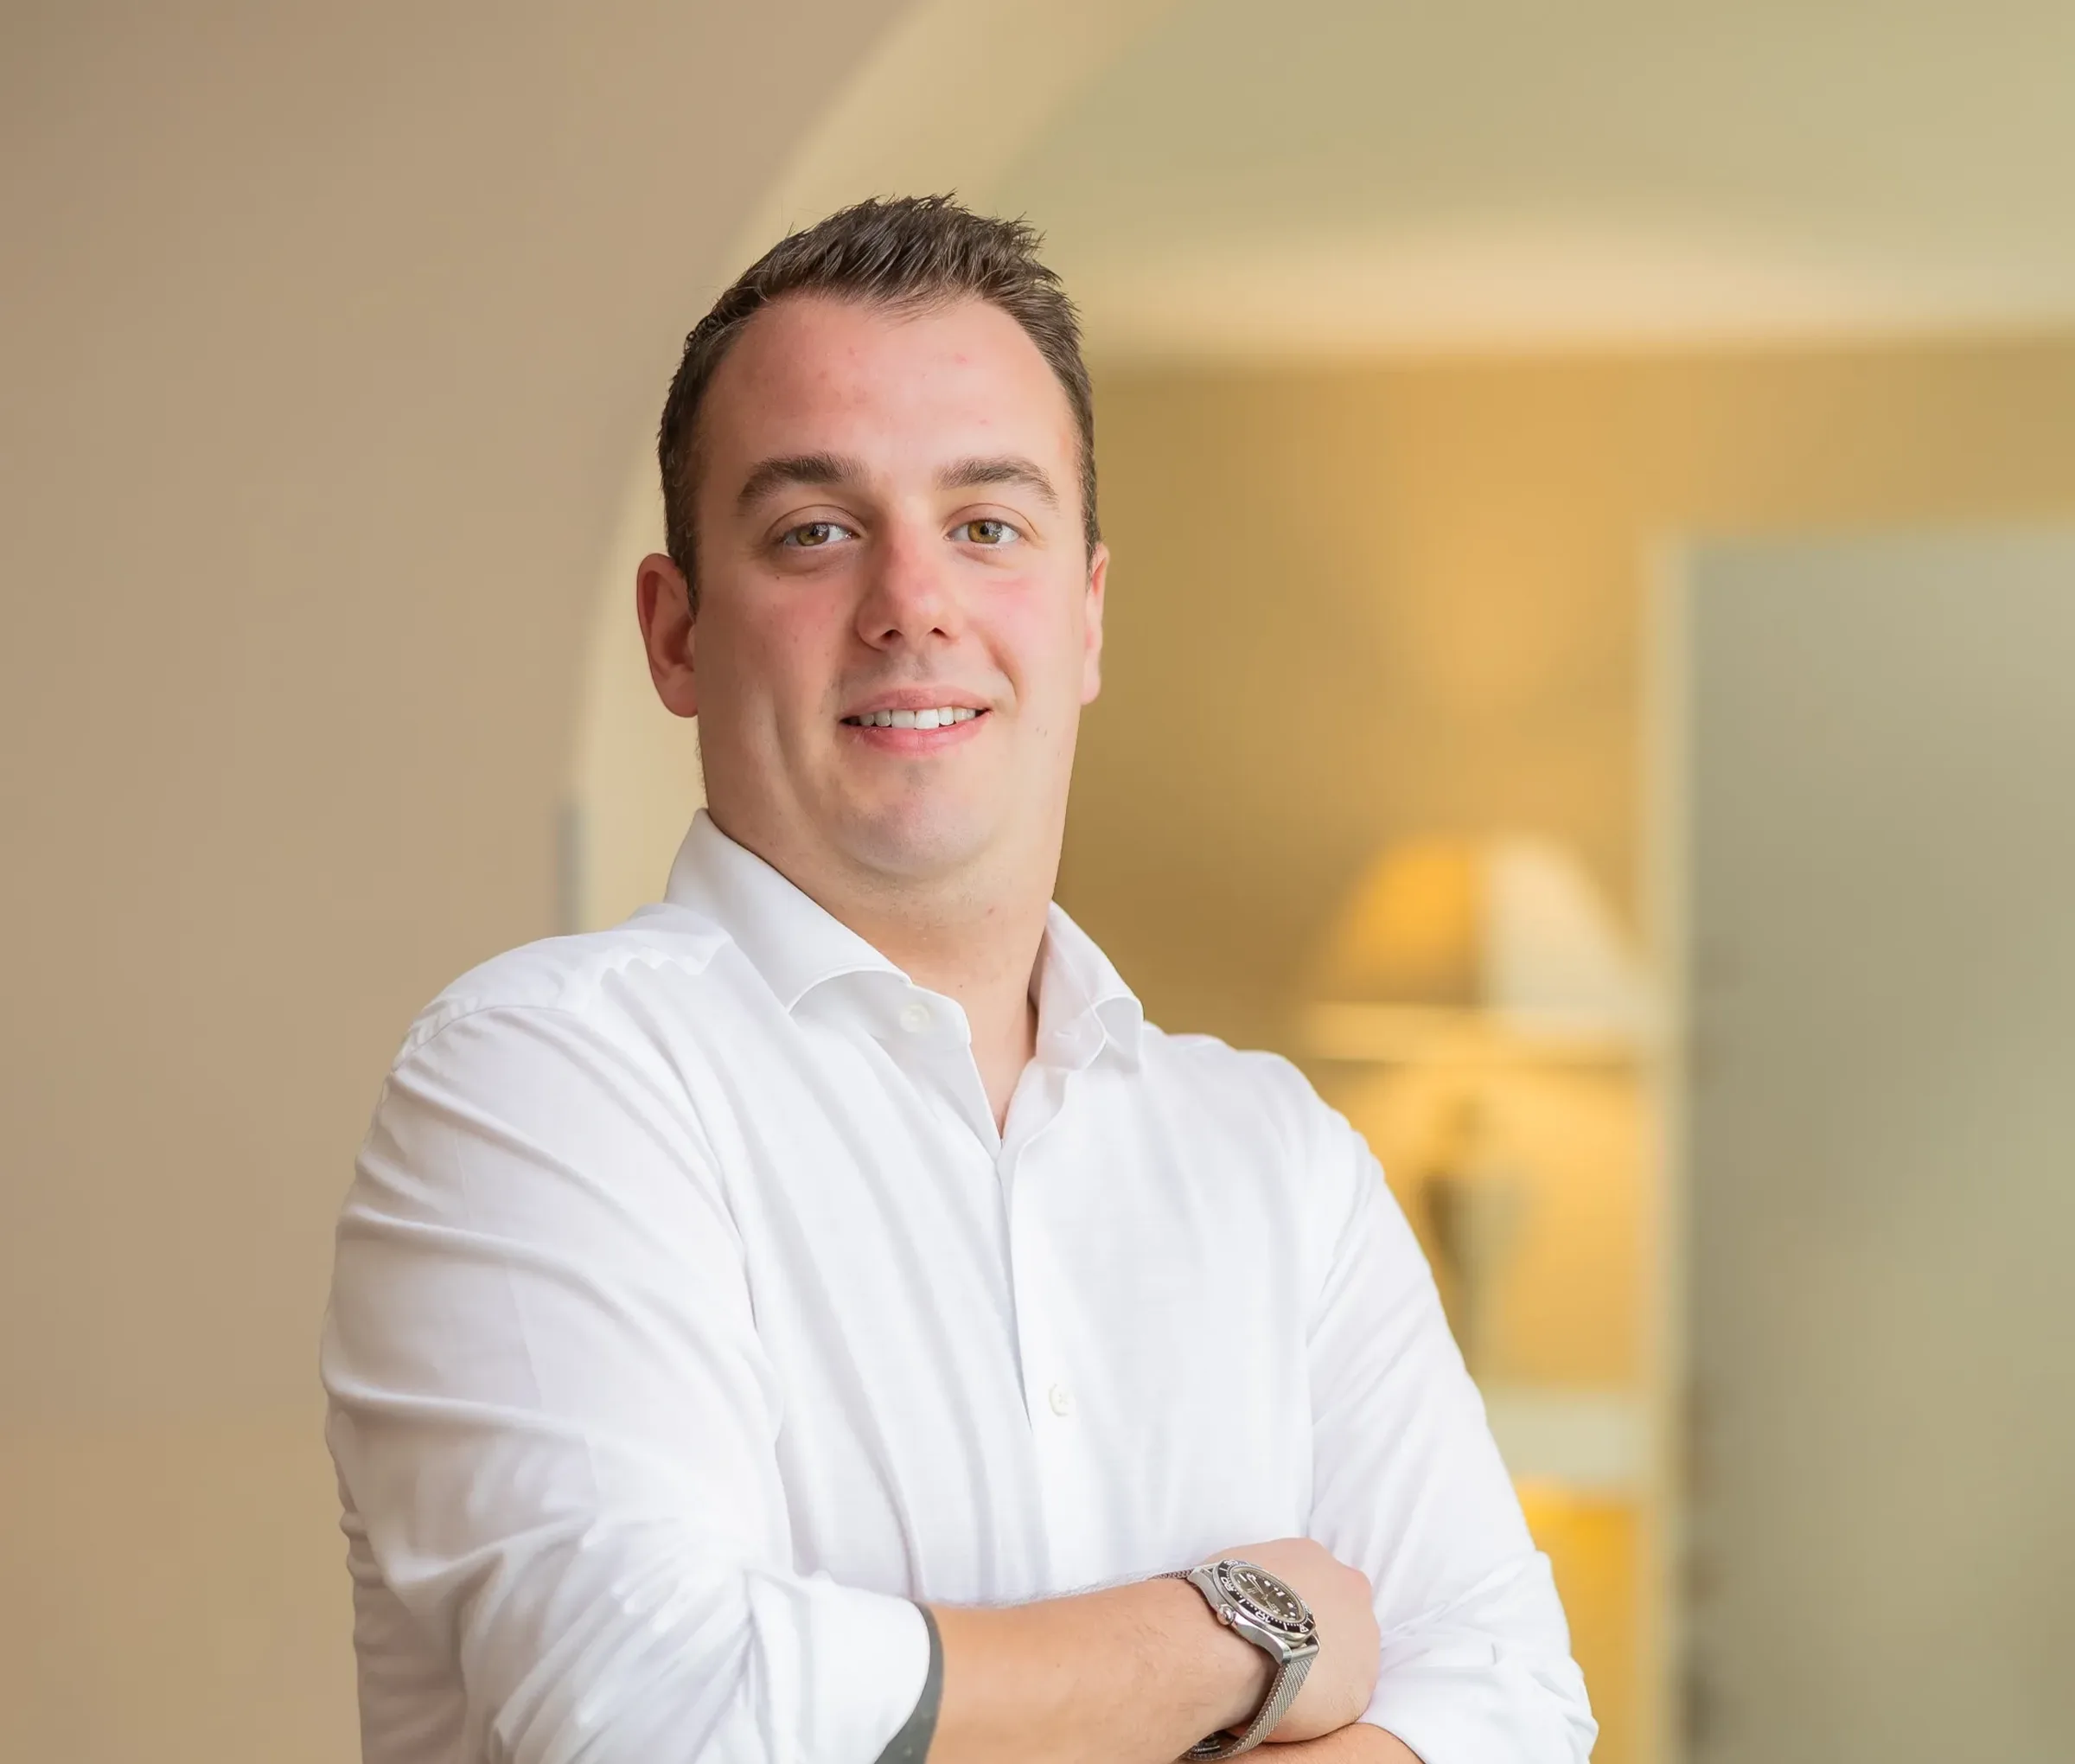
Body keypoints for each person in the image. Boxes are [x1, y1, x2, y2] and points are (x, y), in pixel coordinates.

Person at [321, 195, 1595, 1764]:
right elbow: (662, 1715)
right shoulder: (541, 1083)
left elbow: (1517, 1710)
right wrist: (1246, 1628)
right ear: (677, 635)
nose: (911, 603)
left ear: (1087, 616)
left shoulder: (1282, 1165)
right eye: (816, 529)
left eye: (987, 525)